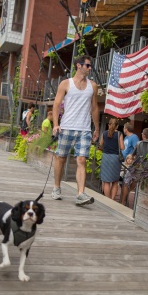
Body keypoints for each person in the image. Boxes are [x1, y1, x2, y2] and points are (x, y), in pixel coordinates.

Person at [51, 55, 100, 206]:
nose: (90, 68)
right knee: (61, 158)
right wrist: (55, 124)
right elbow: (56, 105)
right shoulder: (66, 84)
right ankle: (57, 187)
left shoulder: (93, 86)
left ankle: (80, 194)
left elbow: (94, 108)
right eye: (87, 65)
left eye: (90, 65)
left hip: (84, 129)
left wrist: (96, 127)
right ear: (78, 66)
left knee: (82, 160)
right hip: (66, 127)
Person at [99, 118, 124, 200]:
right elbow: (122, 147)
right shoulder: (119, 134)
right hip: (115, 158)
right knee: (115, 181)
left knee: (106, 181)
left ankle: (107, 199)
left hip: (106, 157)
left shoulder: (104, 133)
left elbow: (100, 144)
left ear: (109, 125)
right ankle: (112, 199)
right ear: (117, 126)